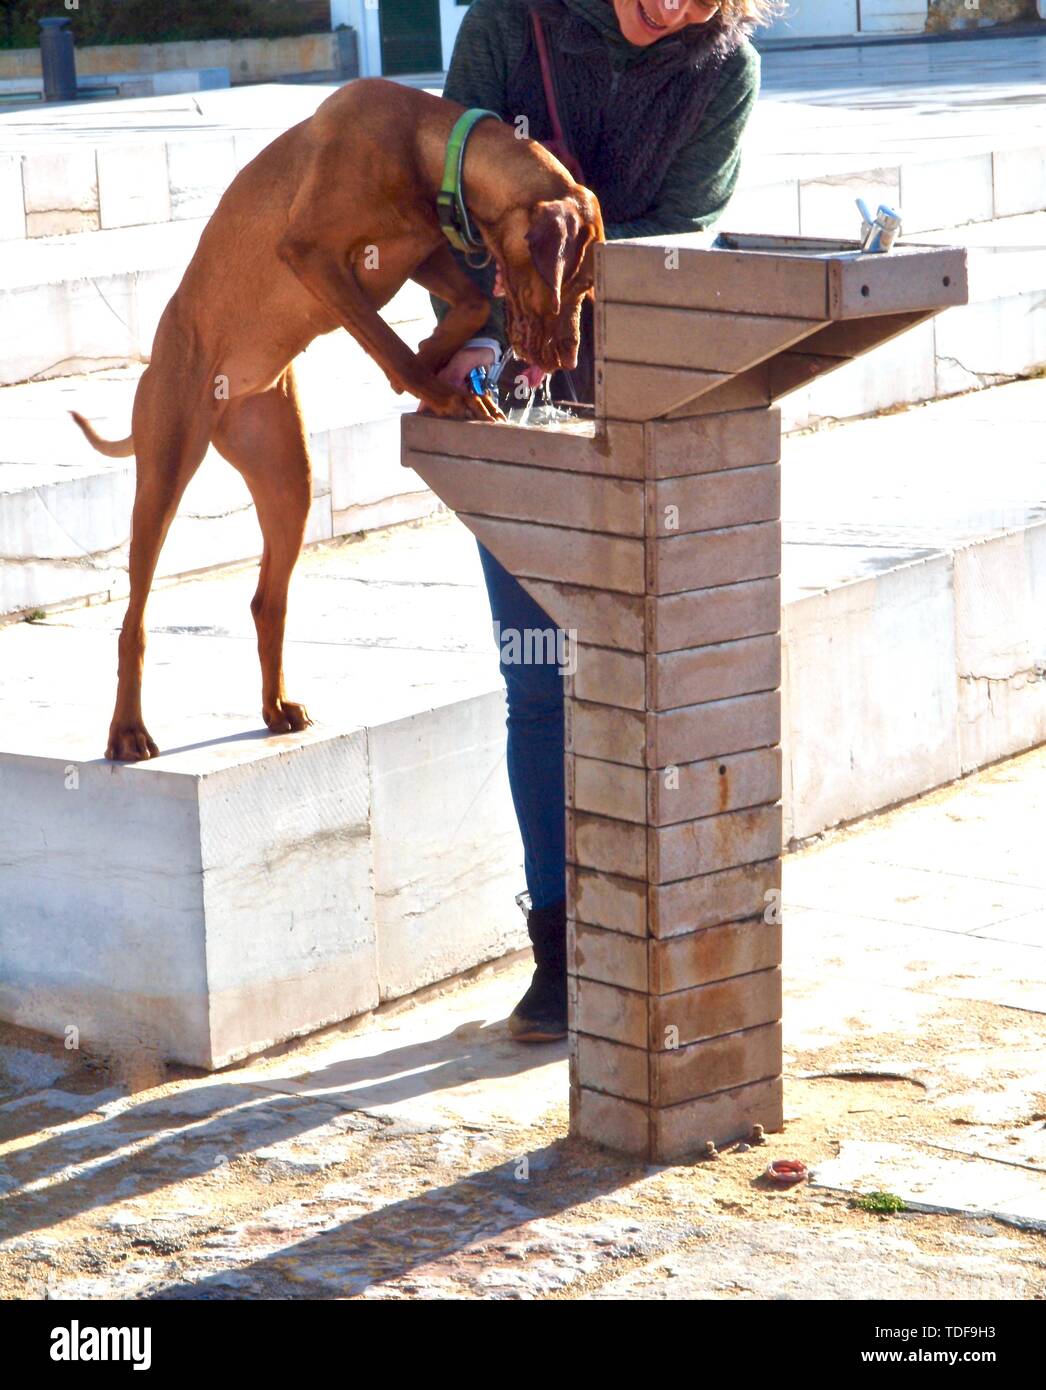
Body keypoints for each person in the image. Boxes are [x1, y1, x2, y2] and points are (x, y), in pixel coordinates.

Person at [432, 0, 781, 1042]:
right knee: (537, 678)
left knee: (655, 674)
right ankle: (557, 955)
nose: (673, 6)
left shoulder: (724, 67)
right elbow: (439, 195)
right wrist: (478, 336)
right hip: (511, 380)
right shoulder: (508, 22)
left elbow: (681, 237)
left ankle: (665, 935)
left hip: (654, 389)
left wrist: (558, 270)